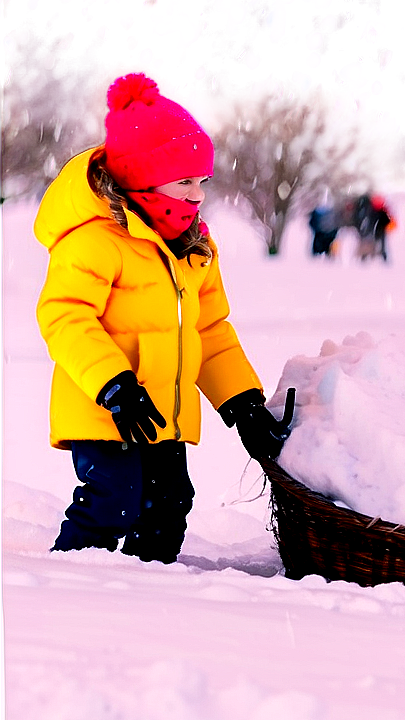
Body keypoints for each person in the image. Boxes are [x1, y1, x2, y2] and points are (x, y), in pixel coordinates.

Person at [34, 72, 294, 564]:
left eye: (203, 181)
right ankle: (69, 586)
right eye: (184, 182)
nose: (197, 195)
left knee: (169, 505)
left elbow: (209, 329)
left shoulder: (194, 247)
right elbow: (64, 317)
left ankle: (151, 597)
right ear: (142, 181)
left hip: (162, 415)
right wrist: (114, 384)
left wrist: (242, 401)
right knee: (114, 499)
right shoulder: (94, 240)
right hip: (105, 405)